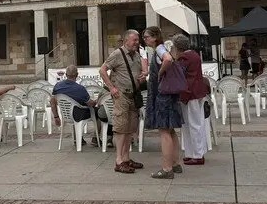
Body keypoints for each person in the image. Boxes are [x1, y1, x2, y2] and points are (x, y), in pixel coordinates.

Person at [101, 29, 145, 174]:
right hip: (122, 96)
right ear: (126, 41)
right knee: (121, 128)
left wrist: (142, 77)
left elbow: (137, 72)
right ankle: (119, 160)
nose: (137, 43)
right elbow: (103, 70)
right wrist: (111, 87)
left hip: (134, 95)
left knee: (130, 128)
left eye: (138, 40)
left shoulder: (137, 55)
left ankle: (126, 158)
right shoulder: (117, 54)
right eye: (134, 40)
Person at [143, 27, 182, 179]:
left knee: (164, 131)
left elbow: (167, 59)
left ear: (155, 37)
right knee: (170, 130)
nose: (144, 39)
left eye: (146, 37)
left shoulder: (160, 49)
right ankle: (175, 162)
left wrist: (159, 73)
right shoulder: (162, 48)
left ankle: (167, 168)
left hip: (162, 96)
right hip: (168, 95)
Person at [175, 33, 208, 166]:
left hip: (189, 93)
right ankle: (191, 152)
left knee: (192, 124)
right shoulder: (194, 54)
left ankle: (197, 154)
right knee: (190, 124)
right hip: (196, 91)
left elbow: (179, 75)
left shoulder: (183, 57)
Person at [50, 65, 100, 147]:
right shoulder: (80, 89)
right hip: (78, 115)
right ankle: (95, 138)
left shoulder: (57, 86)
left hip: (66, 115)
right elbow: (90, 104)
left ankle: (77, 139)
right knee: (98, 112)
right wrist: (97, 100)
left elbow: (52, 101)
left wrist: (56, 117)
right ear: (77, 75)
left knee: (74, 109)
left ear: (66, 74)